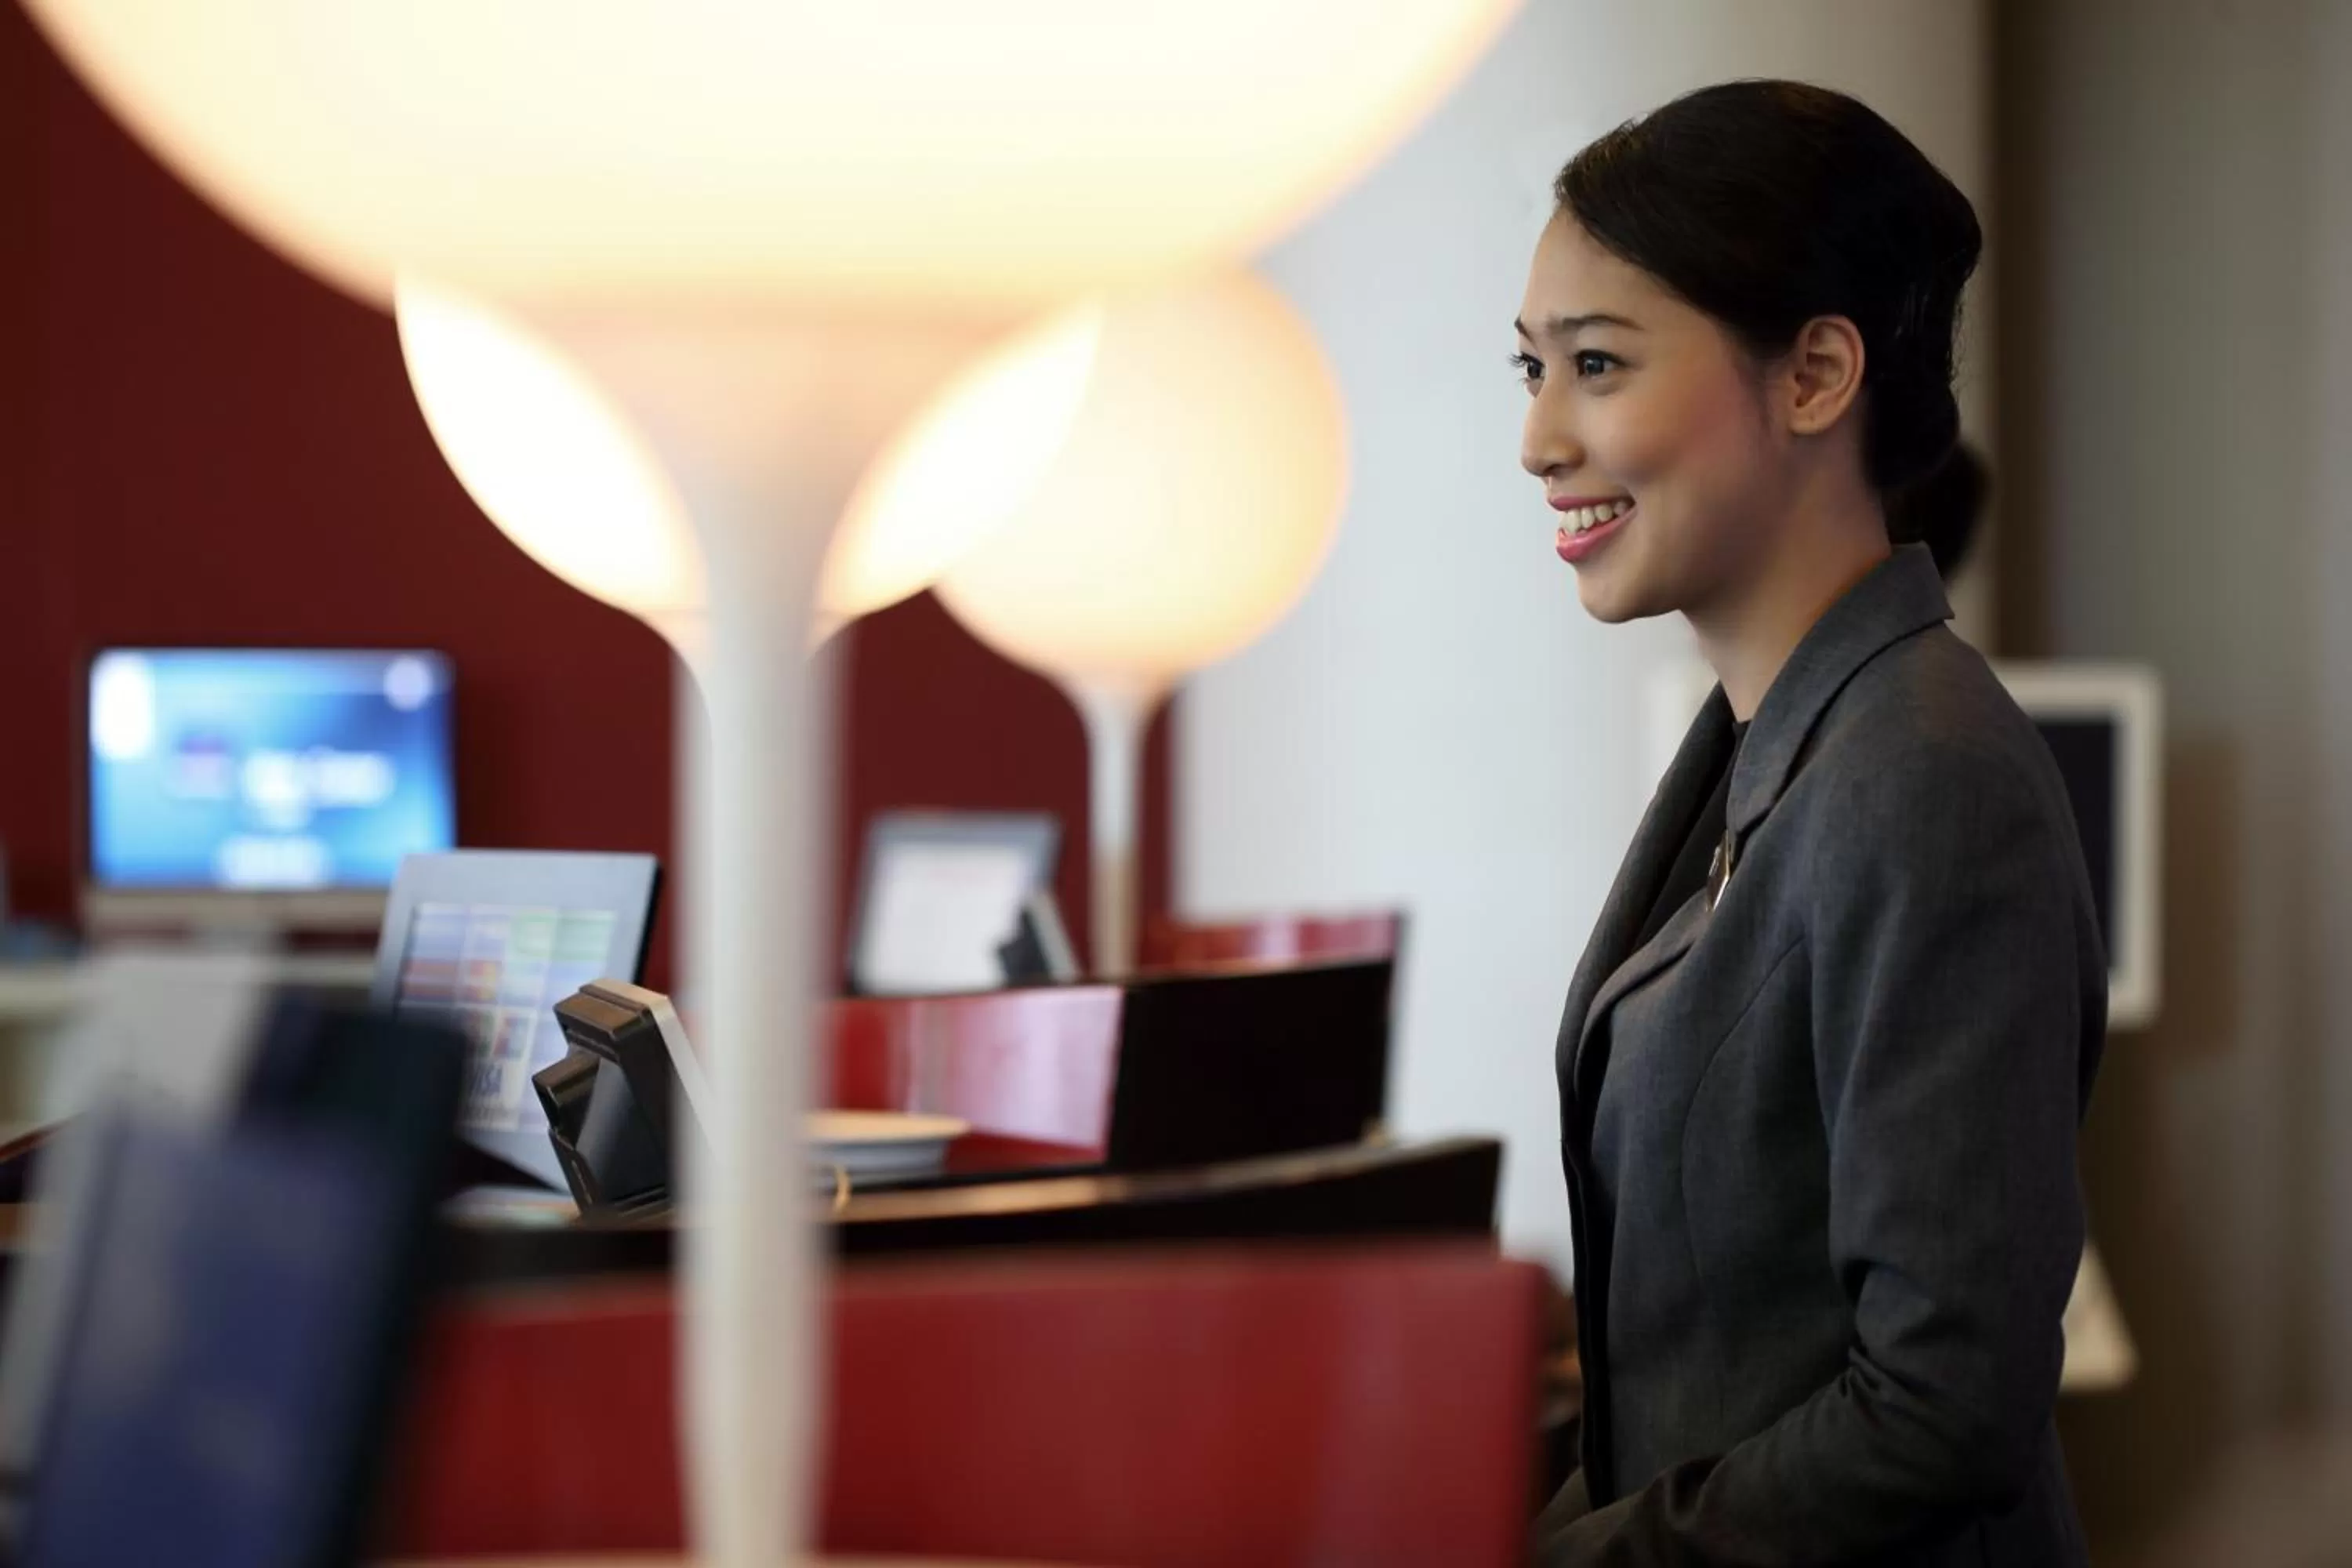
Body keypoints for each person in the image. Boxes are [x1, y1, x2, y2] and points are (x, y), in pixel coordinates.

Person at [1516, 81, 2104, 1566]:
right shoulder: (1774, 745)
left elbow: (1941, 1406)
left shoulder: (1929, 779)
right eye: (1528, 369)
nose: (1538, 437)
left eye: (1596, 364)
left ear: (1817, 373)